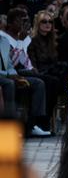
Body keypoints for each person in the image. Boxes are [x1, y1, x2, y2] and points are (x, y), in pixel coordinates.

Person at [0, 8, 50, 136]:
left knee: (38, 82)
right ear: (9, 24)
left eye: (25, 21)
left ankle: (32, 124)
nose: (23, 25)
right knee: (9, 84)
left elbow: (10, 63)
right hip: (4, 76)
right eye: (20, 21)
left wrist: (16, 74)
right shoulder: (8, 38)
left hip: (10, 73)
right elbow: (14, 62)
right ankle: (9, 126)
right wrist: (21, 42)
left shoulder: (4, 40)